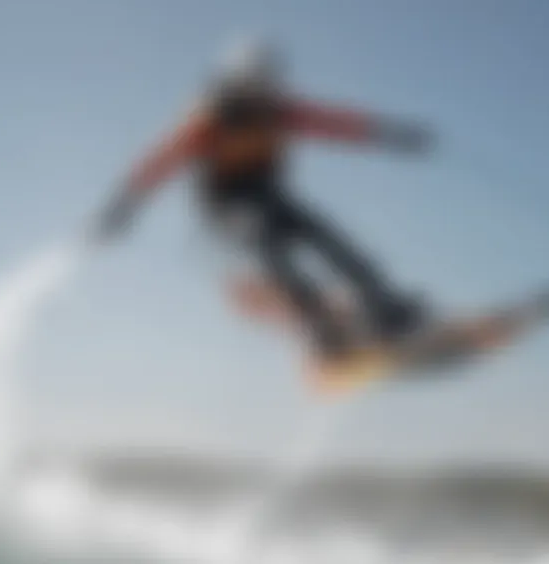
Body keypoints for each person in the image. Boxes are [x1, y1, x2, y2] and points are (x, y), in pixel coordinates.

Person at [92, 39, 433, 361]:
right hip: (226, 206)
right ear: (238, 83)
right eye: (255, 88)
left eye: (267, 87)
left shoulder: (280, 112)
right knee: (267, 245)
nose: (262, 97)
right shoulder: (212, 120)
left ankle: (385, 309)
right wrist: (122, 207)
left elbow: (335, 124)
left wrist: (391, 134)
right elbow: (161, 161)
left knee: (328, 237)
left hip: (268, 196)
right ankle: (321, 332)